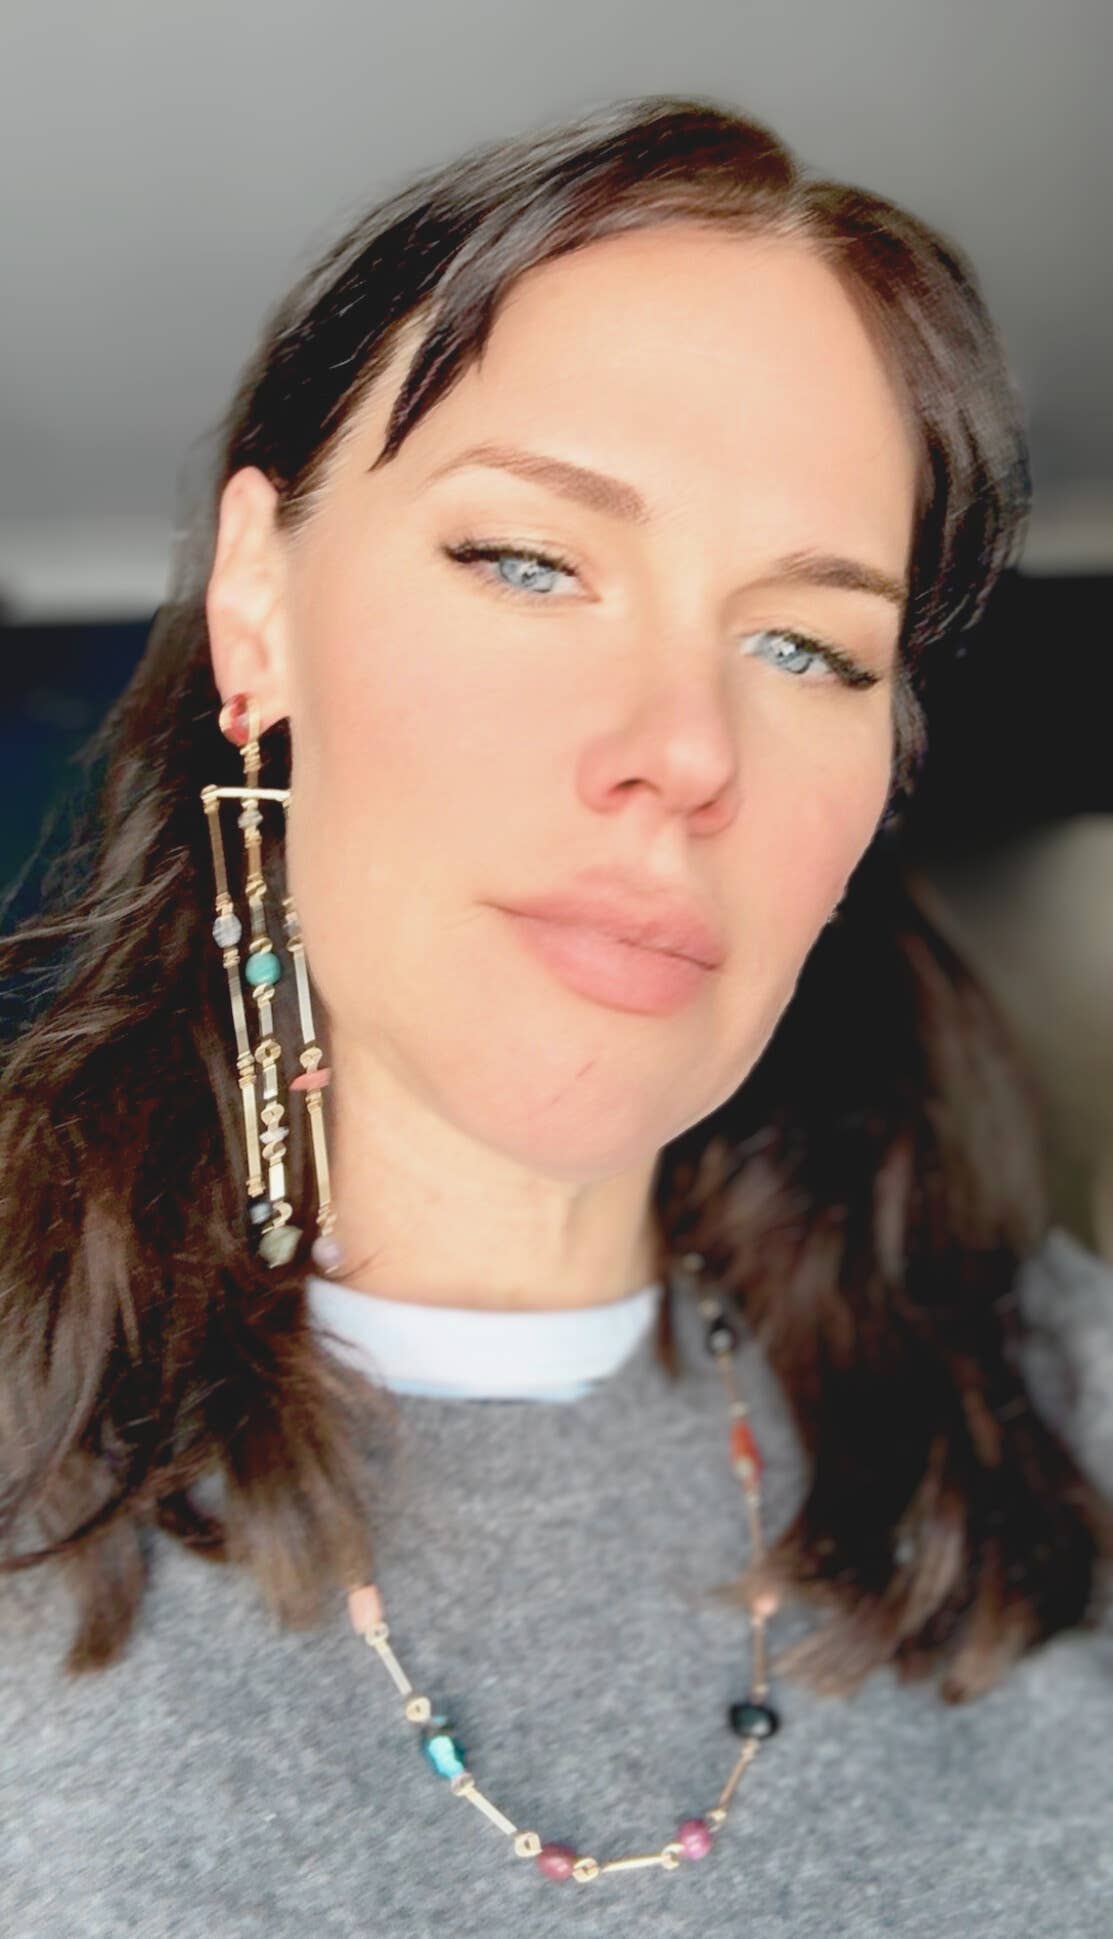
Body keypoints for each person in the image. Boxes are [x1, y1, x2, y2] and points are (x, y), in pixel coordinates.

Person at [2, 93, 1111, 1938]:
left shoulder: (1056, 1405)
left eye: (808, 647)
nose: (683, 752)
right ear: (255, 603)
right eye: (528, 563)